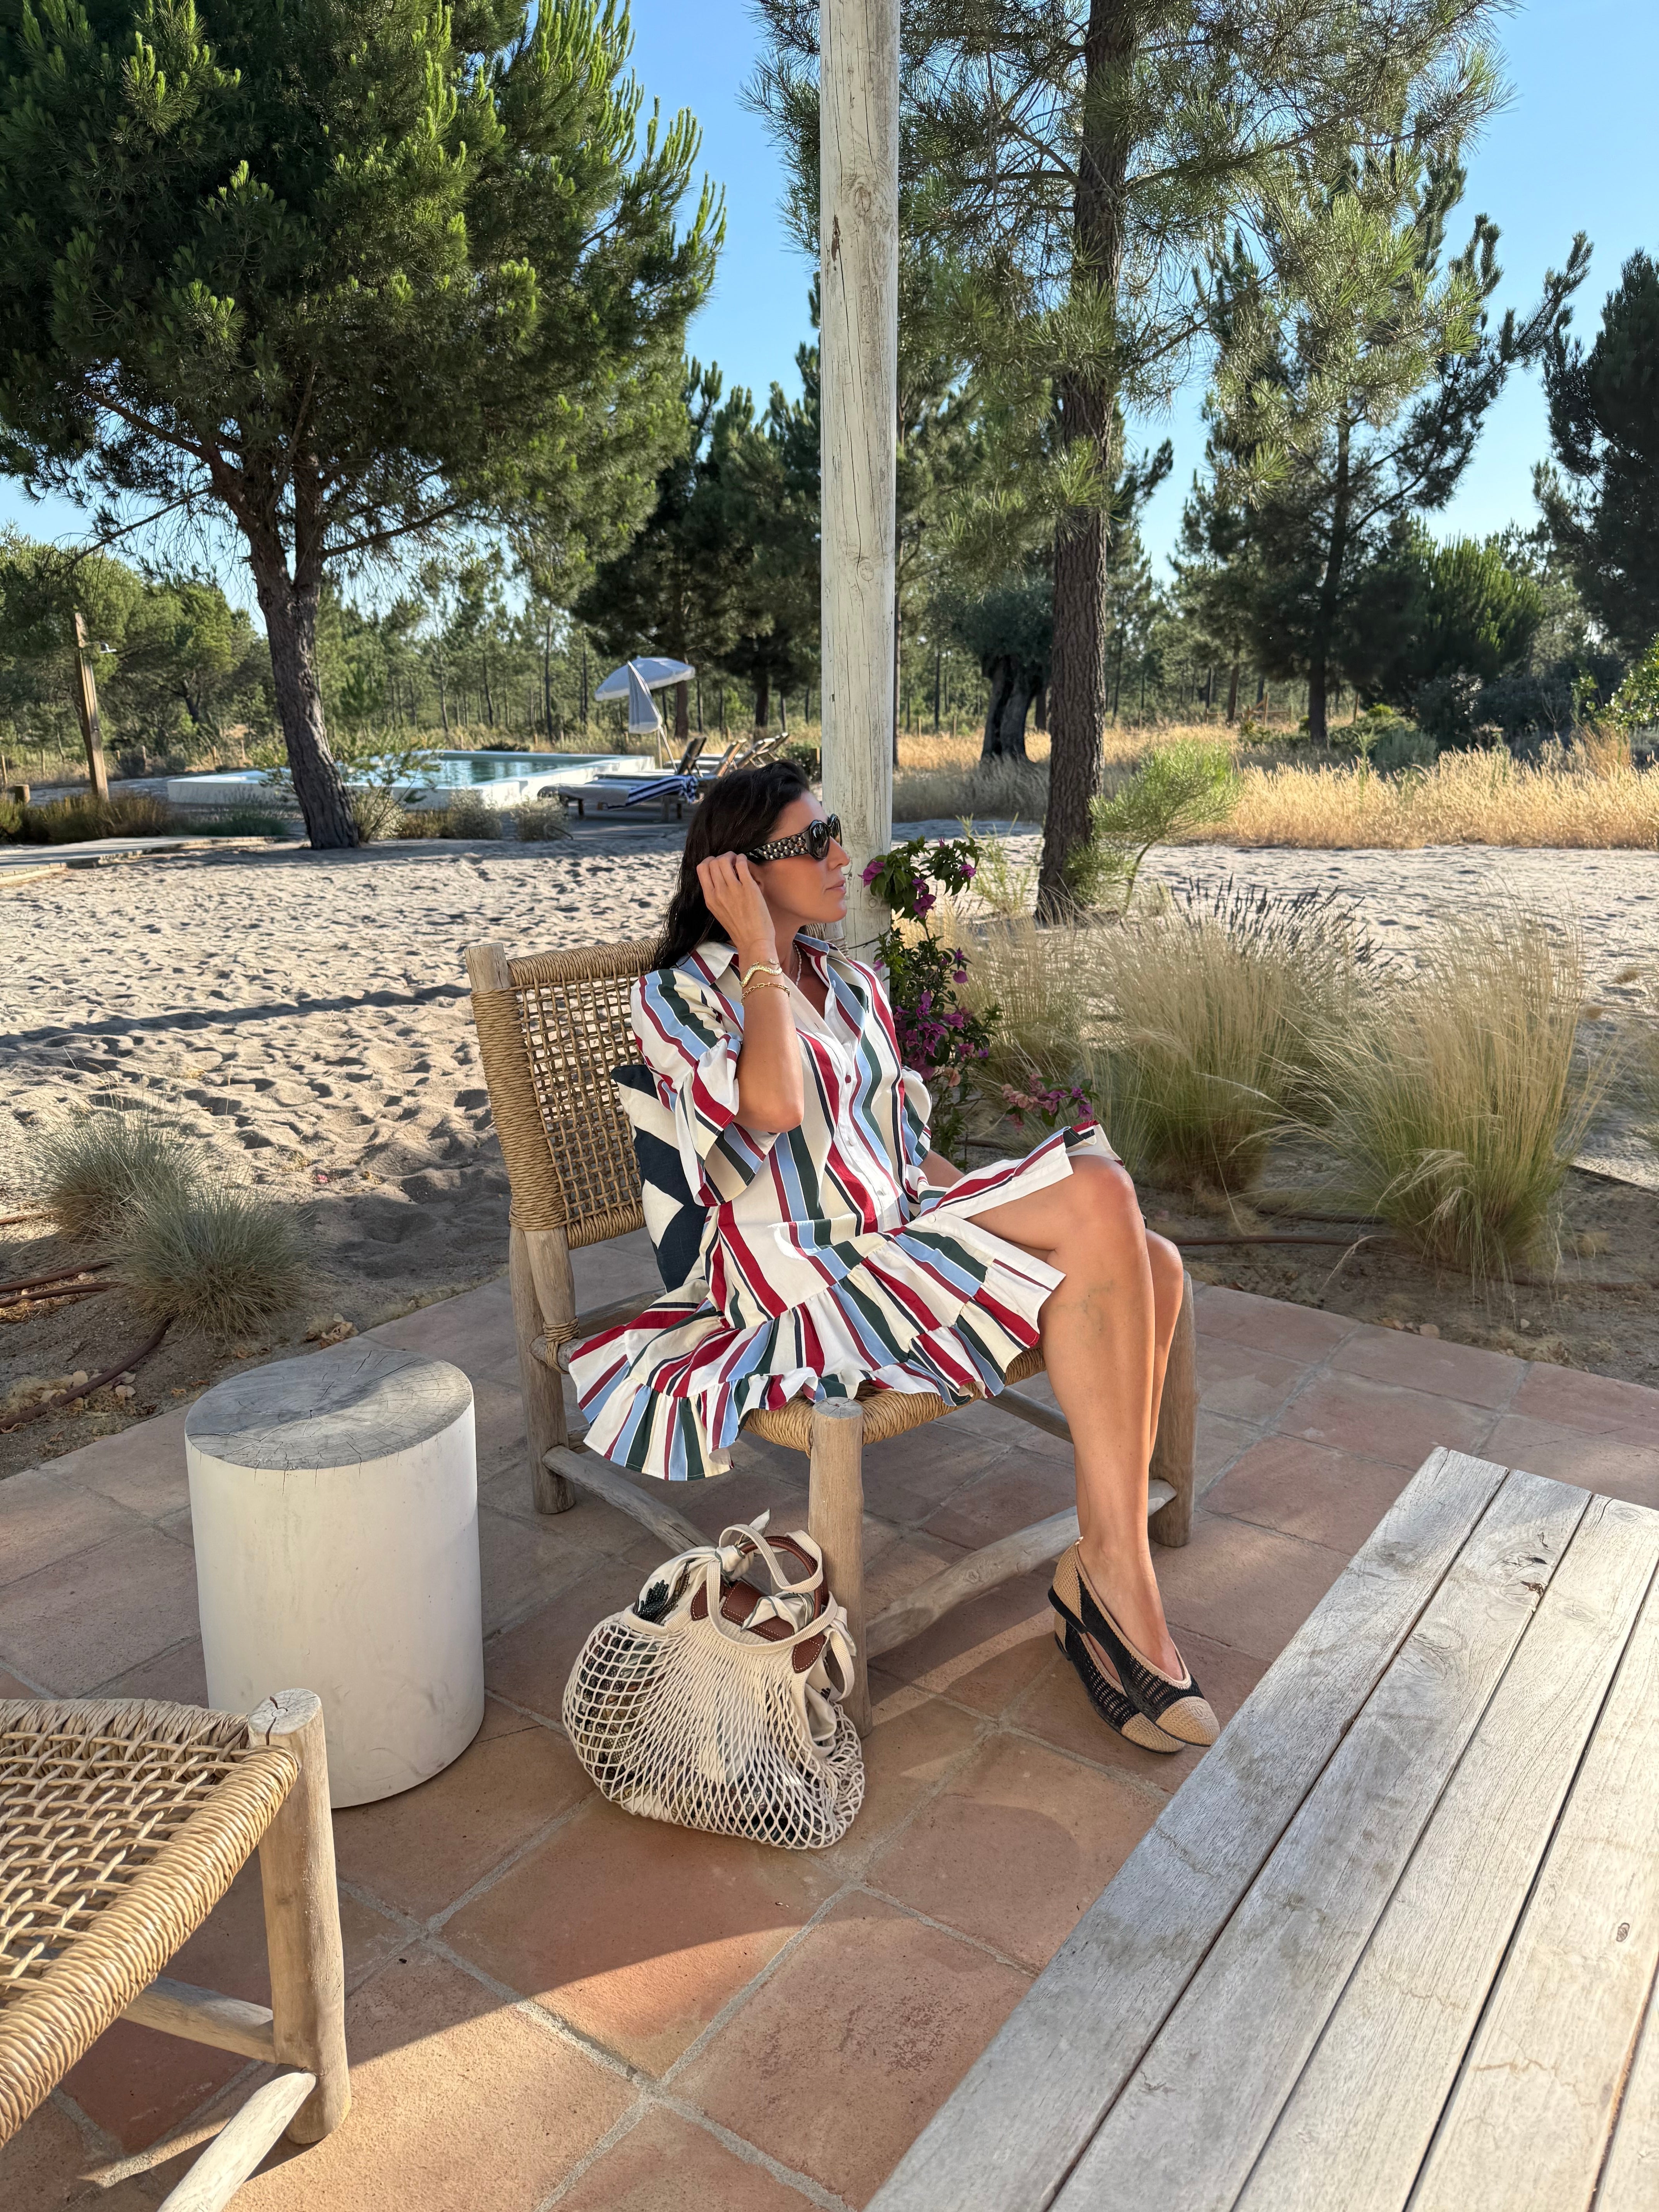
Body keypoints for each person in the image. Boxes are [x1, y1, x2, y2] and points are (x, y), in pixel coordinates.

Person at [568, 763, 1215, 1753]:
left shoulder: (857, 982)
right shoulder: (677, 998)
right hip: (799, 1277)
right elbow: (775, 1106)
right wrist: (756, 954)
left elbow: (899, 1149)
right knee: (1102, 1196)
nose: (840, 856)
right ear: (736, 872)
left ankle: (1101, 1562)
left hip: (894, 1235)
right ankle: (1118, 1583)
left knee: (1151, 1257)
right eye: (809, 844)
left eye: (835, 832)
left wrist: (993, 1204)